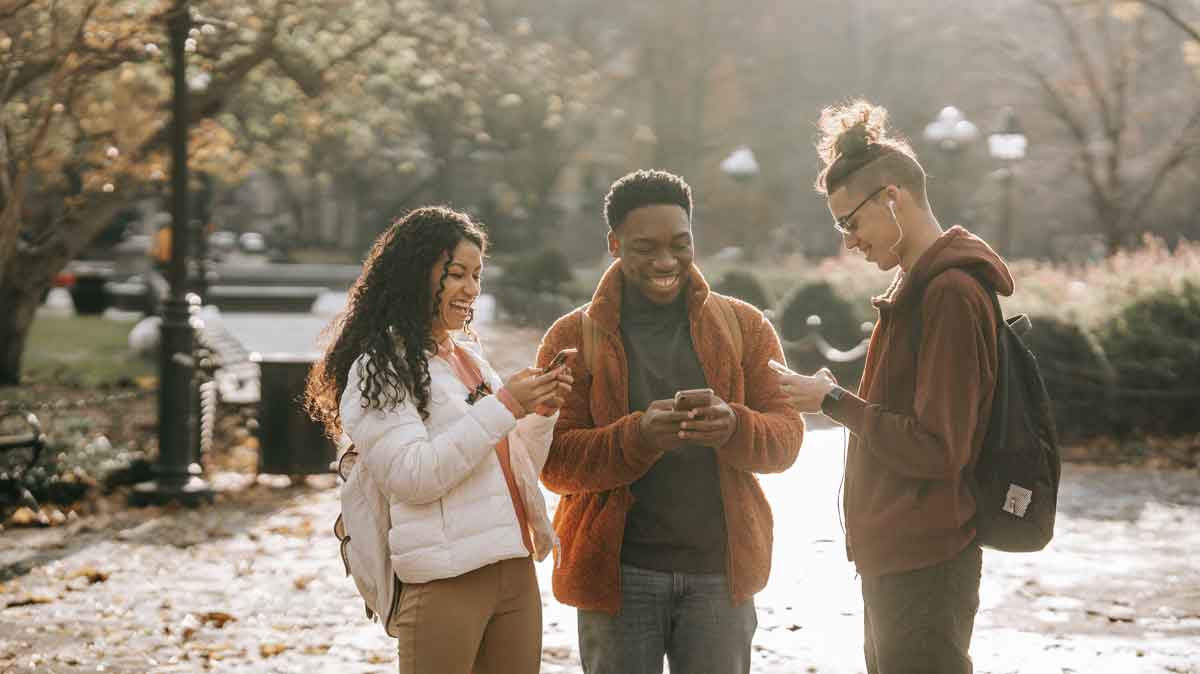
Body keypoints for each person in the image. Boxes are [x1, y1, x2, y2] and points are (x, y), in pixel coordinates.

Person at [776, 100, 1015, 674]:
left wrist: (832, 401)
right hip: (901, 554)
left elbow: (937, 447)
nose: (849, 242)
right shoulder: (922, 285)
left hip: (926, 557)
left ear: (891, 198)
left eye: (849, 223)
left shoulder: (949, 293)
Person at [536, 169, 806, 674]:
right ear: (614, 244)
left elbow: (787, 438)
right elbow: (552, 462)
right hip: (617, 579)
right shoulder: (572, 337)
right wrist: (635, 437)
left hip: (720, 576)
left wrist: (734, 427)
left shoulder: (743, 325)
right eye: (645, 248)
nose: (666, 261)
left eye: (681, 244)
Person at [303, 206, 572, 674]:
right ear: (415, 275)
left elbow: (512, 464)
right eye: (456, 274)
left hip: (513, 567)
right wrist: (506, 404)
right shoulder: (381, 368)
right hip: (447, 580)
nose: (471, 289)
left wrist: (540, 413)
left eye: (477, 275)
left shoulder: (466, 358)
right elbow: (414, 477)